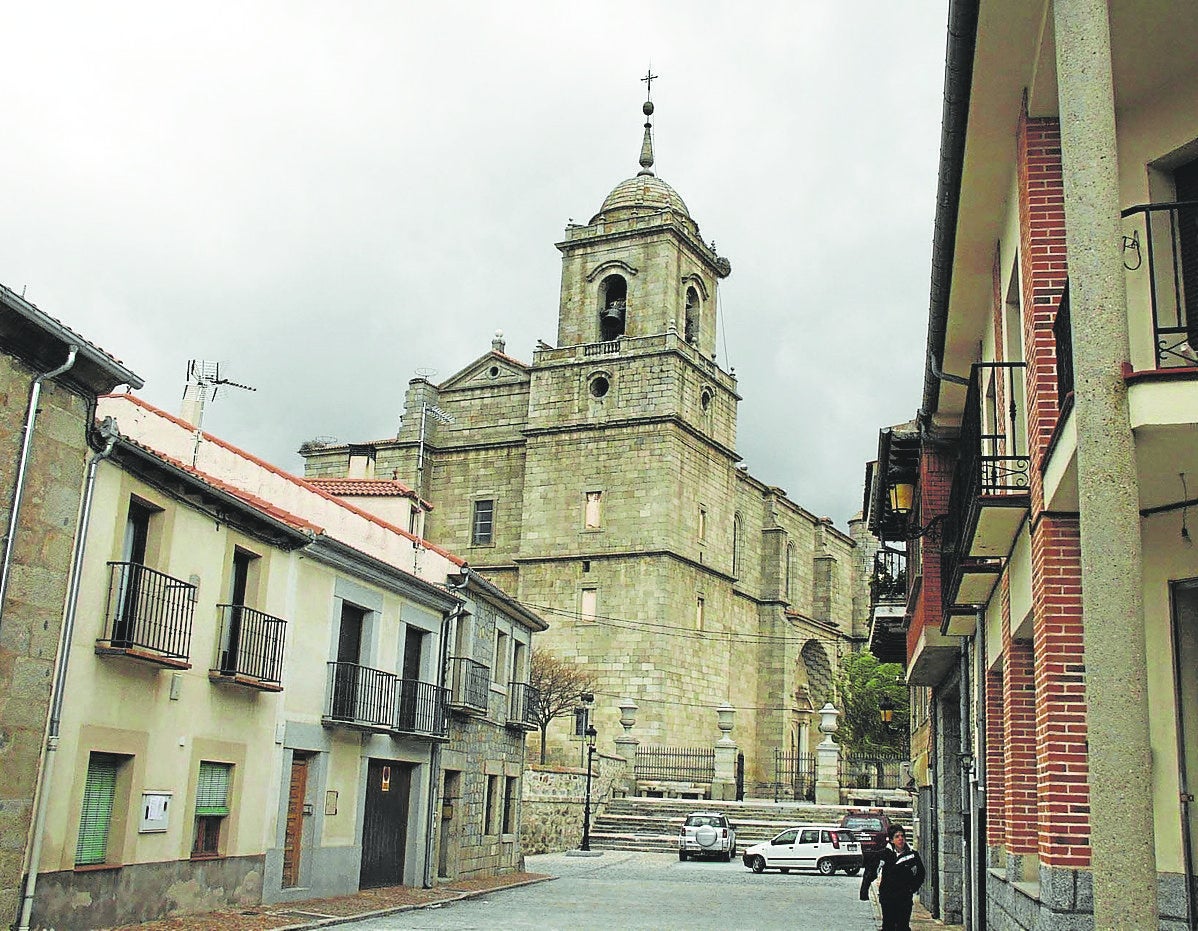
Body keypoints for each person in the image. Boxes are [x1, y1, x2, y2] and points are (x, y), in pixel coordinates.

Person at [859, 824, 926, 931]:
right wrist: (864, 890)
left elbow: (920, 874)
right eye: (897, 836)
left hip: (904, 897)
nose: (900, 839)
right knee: (888, 926)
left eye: (902, 836)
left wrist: (912, 888)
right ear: (891, 840)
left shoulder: (912, 855)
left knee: (902, 926)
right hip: (888, 896)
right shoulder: (884, 855)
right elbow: (871, 872)